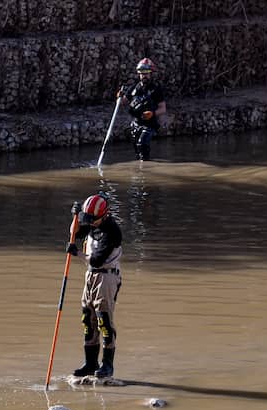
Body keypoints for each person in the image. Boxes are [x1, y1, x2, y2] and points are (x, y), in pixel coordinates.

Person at [65, 194, 123, 378]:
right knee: (87, 319)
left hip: (106, 277)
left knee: (103, 320)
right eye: (88, 219)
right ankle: (90, 364)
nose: (90, 223)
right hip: (90, 276)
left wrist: (77, 254)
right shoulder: (92, 222)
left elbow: (97, 260)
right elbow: (76, 234)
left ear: (104, 215)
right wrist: (75, 216)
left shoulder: (112, 231)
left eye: (93, 220)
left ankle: (107, 366)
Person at [117, 58, 167, 161]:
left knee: (142, 144)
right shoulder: (134, 88)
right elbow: (123, 102)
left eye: (146, 74)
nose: (144, 76)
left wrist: (152, 113)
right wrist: (119, 97)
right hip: (136, 123)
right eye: (142, 74)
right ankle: (140, 168)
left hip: (149, 124)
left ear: (151, 74)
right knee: (137, 149)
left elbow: (163, 108)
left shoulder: (156, 89)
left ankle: (145, 168)